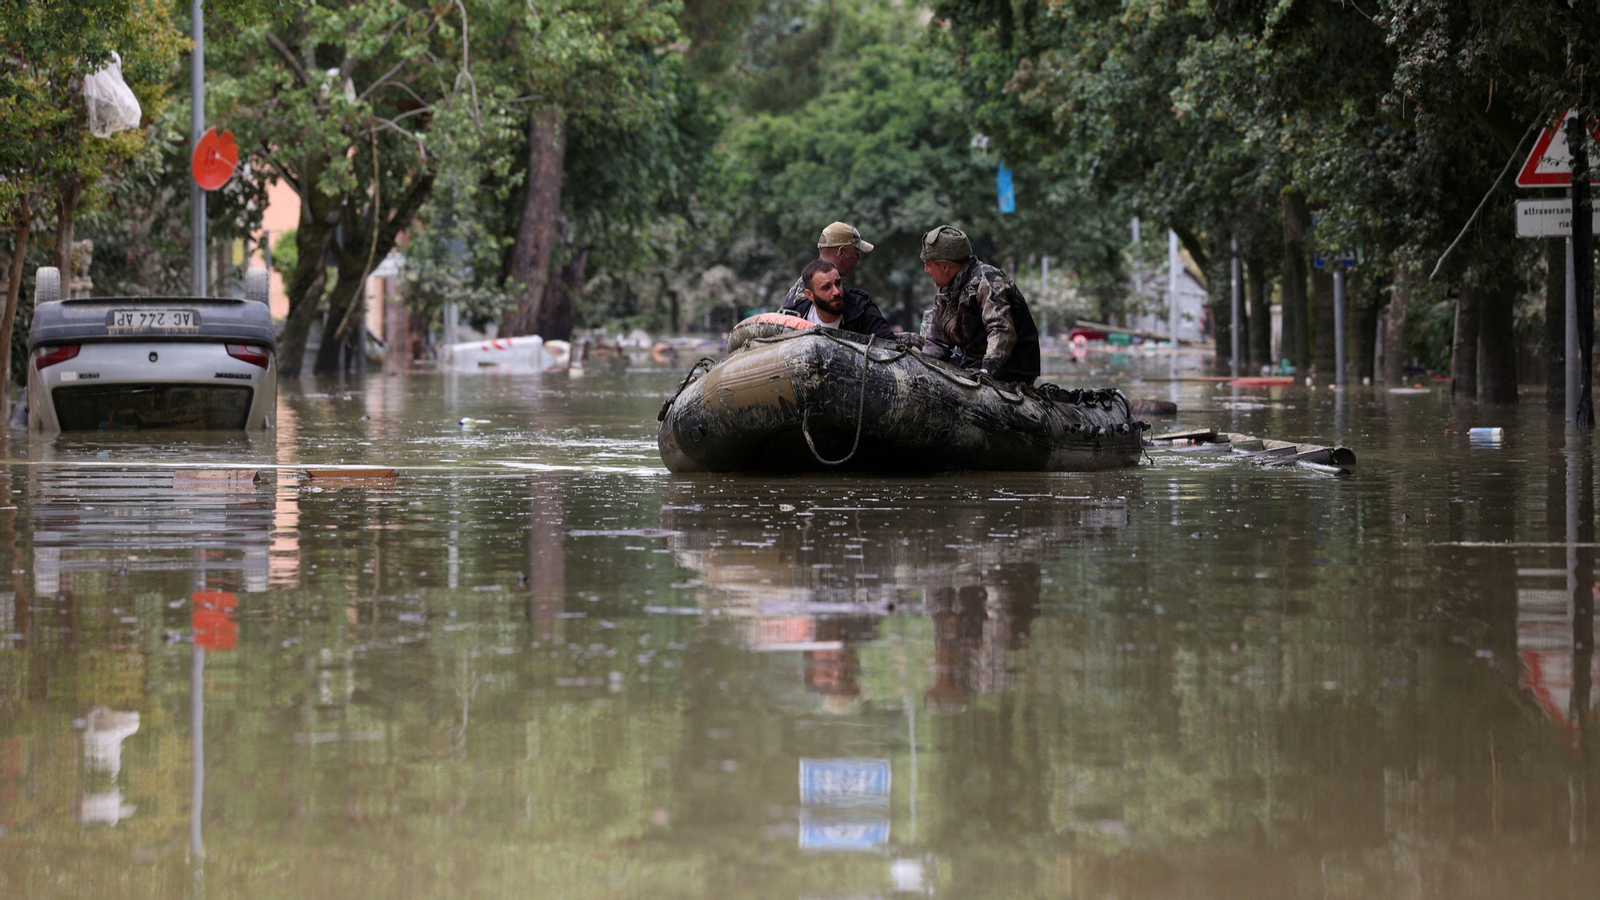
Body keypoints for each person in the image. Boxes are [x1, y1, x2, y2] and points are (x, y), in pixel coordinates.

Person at [918, 225, 1040, 384]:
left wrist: (986, 370)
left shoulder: (987, 281)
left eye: (929, 264)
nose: (926, 270)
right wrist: (923, 367)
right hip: (971, 365)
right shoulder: (946, 291)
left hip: (1009, 370)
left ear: (945, 267)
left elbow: (1001, 329)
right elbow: (937, 342)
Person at [781, 222, 897, 339]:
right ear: (841, 252)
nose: (858, 259)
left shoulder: (797, 292)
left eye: (838, 283)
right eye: (856, 253)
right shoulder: (801, 306)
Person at [789, 258, 897, 338]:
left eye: (838, 283)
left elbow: (891, 350)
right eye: (826, 287)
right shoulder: (797, 316)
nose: (836, 292)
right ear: (810, 295)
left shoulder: (863, 311)